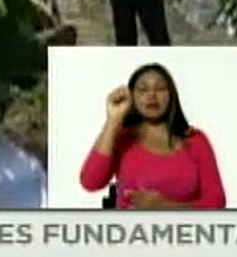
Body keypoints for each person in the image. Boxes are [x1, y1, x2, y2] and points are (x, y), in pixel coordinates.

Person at [80, 63, 226, 209]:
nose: (152, 95)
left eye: (160, 89)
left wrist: (165, 206)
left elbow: (216, 201)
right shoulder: (122, 138)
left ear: (171, 95)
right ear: (132, 97)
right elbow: (91, 182)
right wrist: (113, 121)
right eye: (143, 90)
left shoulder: (195, 140)